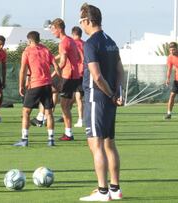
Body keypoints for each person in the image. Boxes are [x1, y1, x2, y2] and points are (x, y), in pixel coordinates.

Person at [78, 3, 124, 201]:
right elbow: (120, 70)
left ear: (88, 21)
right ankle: (115, 189)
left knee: (96, 145)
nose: (81, 25)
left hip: (96, 99)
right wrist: (118, 92)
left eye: (81, 21)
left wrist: (111, 95)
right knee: (109, 144)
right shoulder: (111, 41)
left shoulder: (91, 43)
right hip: (110, 100)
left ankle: (103, 191)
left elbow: (96, 77)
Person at [13, 31, 59, 147]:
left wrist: (21, 86)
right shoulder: (46, 50)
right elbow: (57, 67)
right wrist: (55, 79)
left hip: (35, 84)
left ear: (29, 40)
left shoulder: (27, 51)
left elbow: (23, 70)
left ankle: (24, 139)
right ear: (39, 39)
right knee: (49, 113)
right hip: (47, 85)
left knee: (26, 112)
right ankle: (51, 140)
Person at [50, 18, 81, 141]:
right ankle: (68, 132)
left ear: (59, 29)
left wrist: (51, 75)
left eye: (53, 30)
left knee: (64, 105)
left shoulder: (63, 43)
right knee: (66, 105)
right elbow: (77, 56)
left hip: (68, 76)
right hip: (74, 76)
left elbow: (62, 63)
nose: (52, 32)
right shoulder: (71, 41)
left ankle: (68, 133)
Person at [72, 26, 85, 127]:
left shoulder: (73, 44)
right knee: (77, 98)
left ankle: (81, 119)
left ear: (73, 34)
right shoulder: (85, 44)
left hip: (77, 73)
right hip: (86, 73)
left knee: (78, 98)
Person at [164, 42, 178, 119]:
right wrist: (168, 79)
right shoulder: (170, 57)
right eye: (170, 50)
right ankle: (169, 114)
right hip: (176, 80)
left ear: (176, 49)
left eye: (173, 50)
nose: (172, 51)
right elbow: (169, 69)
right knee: (172, 95)